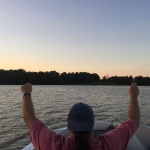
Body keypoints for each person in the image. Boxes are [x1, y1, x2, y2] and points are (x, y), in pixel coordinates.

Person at [21, 82, 140, 150]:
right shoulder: (108, 144)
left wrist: (27, 92)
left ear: (68, 124)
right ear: (92, 124)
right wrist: (133, 95)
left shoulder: (51, 144)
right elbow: (133, 121)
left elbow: (28, 117)